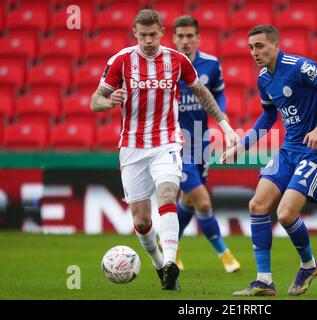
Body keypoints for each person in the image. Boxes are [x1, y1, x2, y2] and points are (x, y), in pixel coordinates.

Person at [90, 9, 239, 291]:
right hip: (132, 146)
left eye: (153, 34)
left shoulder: (176, 60)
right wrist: (110, 101)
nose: (148, 40)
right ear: (135, 33)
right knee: (142, 219)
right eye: (142, 35)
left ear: (162, 32)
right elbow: (94, 100)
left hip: (167, 142)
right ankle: (160, 265)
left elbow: (202, 92)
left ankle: (171, 261)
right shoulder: (120, 61)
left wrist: (226, 127)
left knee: (169, 193)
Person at [221, 25, 317, 296]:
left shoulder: (300, 67)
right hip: (289, 149)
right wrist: (241, 147)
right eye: (251, 47)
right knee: (257, 204)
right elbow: (268, 116)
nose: (255, 52)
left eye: (260, 46)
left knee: (286, 214)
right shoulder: (264, 78)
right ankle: (264, 280)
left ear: (276, 45)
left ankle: (308, 265)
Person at [172, 15, 241, 273]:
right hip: (175, 144)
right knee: (203, 202)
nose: (185, 41)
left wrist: (221, 117)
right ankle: (225, 254)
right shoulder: (166, 66)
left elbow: (219, 92)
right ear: (174, 38)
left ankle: (172, 247)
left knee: (188, 201)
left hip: (201, 141)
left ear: (198, 38)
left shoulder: (210, 64)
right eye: (180, 36)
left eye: (190, 36)